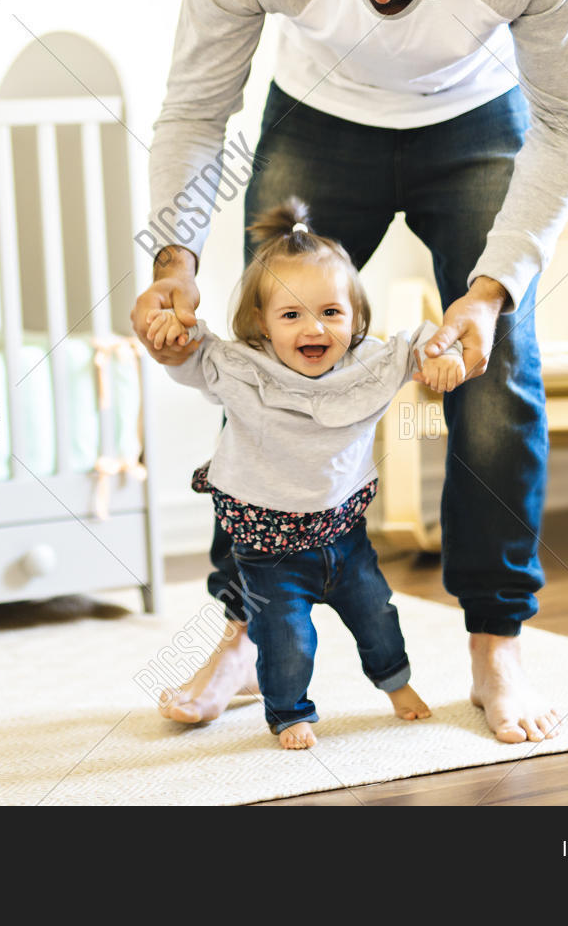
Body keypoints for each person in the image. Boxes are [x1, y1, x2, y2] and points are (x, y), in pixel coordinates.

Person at [132, 0, 568, 743]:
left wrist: (490, 292)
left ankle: (496, 646)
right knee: (263, 369)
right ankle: (247, 630)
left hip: (478, 119)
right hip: (318, 117)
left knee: (497, 372)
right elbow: (194, 108)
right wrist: (174, 258)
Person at [147, 199, 461, 747]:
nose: (313, 327)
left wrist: (443, 355)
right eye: (291, 315)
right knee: (287, 639)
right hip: (268, 549)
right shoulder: (242, 366)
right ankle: (290, 713)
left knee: (378, 617)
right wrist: (170, 337)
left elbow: (421, 340)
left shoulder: (370, 364)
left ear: (355, 318)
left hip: (345, 538)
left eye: (331, 312)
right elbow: (189, 358)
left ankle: (396, 684)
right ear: (261, 324)